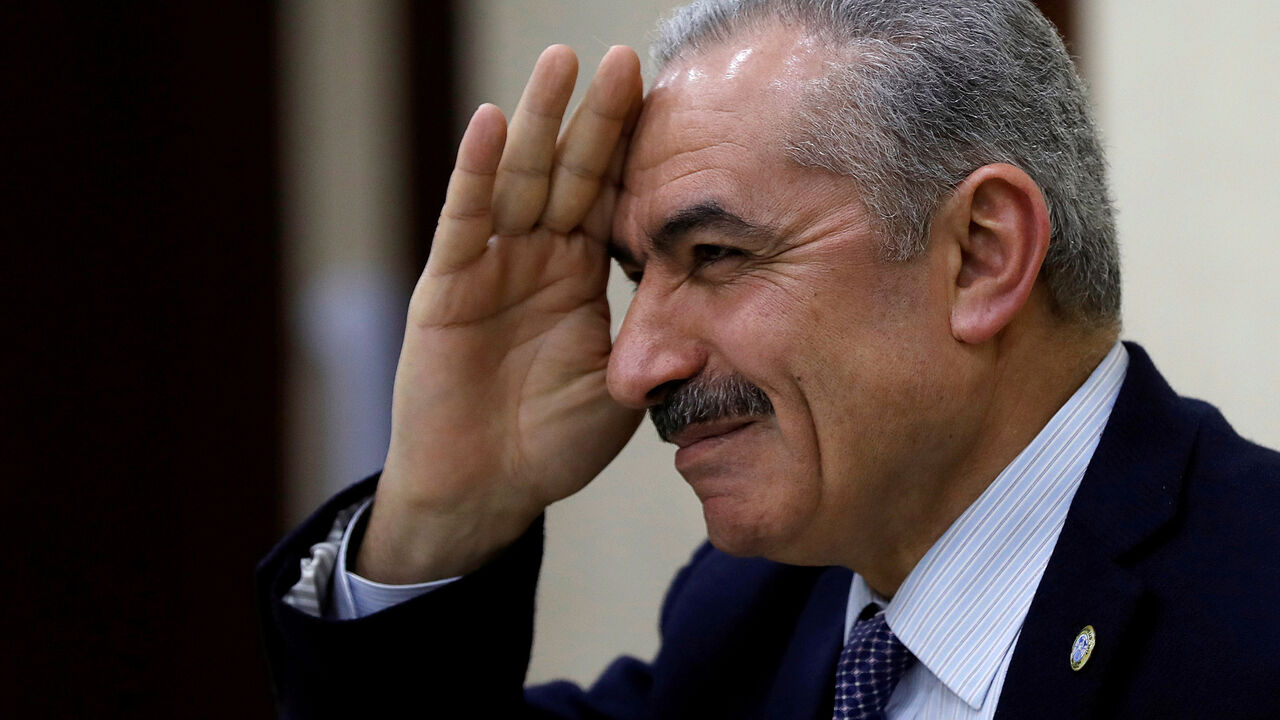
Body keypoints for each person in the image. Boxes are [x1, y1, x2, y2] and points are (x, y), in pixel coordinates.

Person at [257, 1, 1280, 717]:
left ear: (980, 254)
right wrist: (443, 515)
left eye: (714, 256)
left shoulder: (1251, 607)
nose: (633, 367)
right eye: (632, 276)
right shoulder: (752, 614)